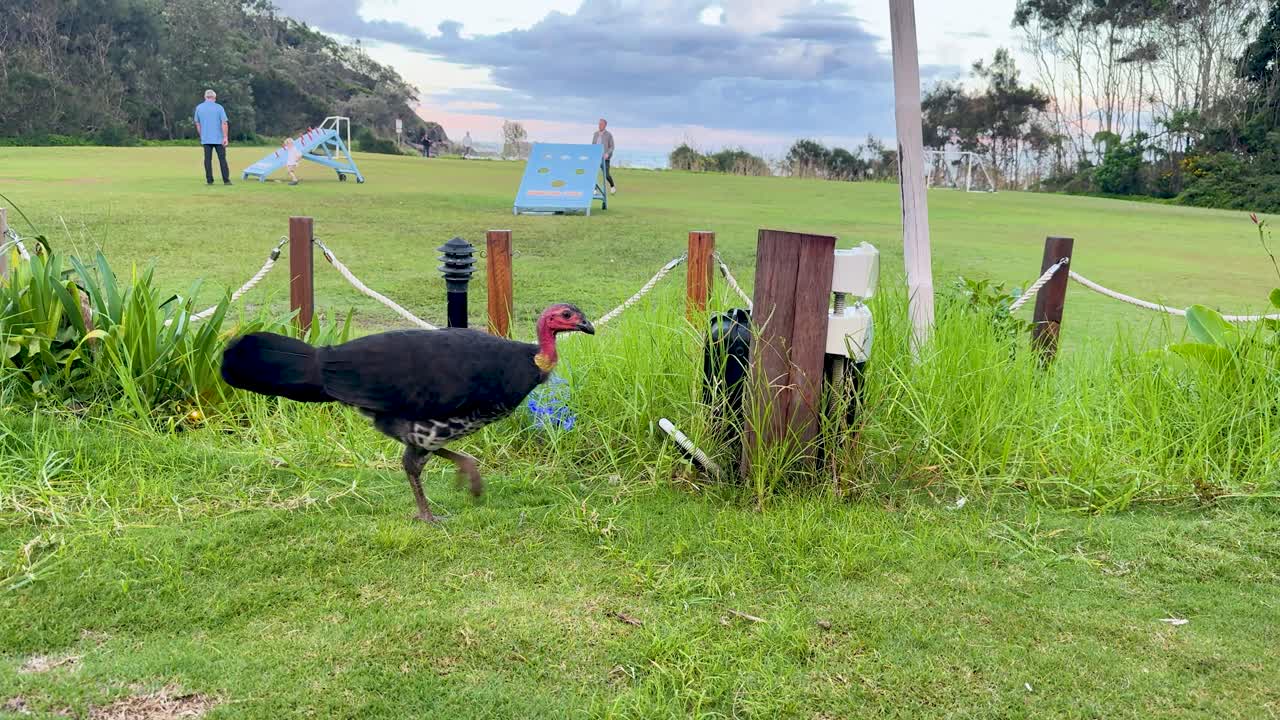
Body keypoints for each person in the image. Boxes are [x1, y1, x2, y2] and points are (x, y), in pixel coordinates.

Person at [194, 89, 231, 185]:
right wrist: (225, 137)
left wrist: (201, 135)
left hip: (206, 138)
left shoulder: (199, 108)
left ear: (205, 97)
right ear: (214, 98)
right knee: (222, 159)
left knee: (207, 160)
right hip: (219, 139)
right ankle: (226, 180)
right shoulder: (219, 108)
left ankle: (209, 180)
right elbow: (224, 123)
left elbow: (197, 123)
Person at [592, 118, 617, 194]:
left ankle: (612, 186)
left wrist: (607, 154)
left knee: (606, 175)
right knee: (593, 174)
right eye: (599, 124)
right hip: (596, 158)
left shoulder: (608, 135)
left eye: (601, 124)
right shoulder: (595, 134)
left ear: (605, 125)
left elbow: (612, 147)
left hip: (605, 158)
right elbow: (593, 145)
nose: (600, 126)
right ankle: (595, 189)